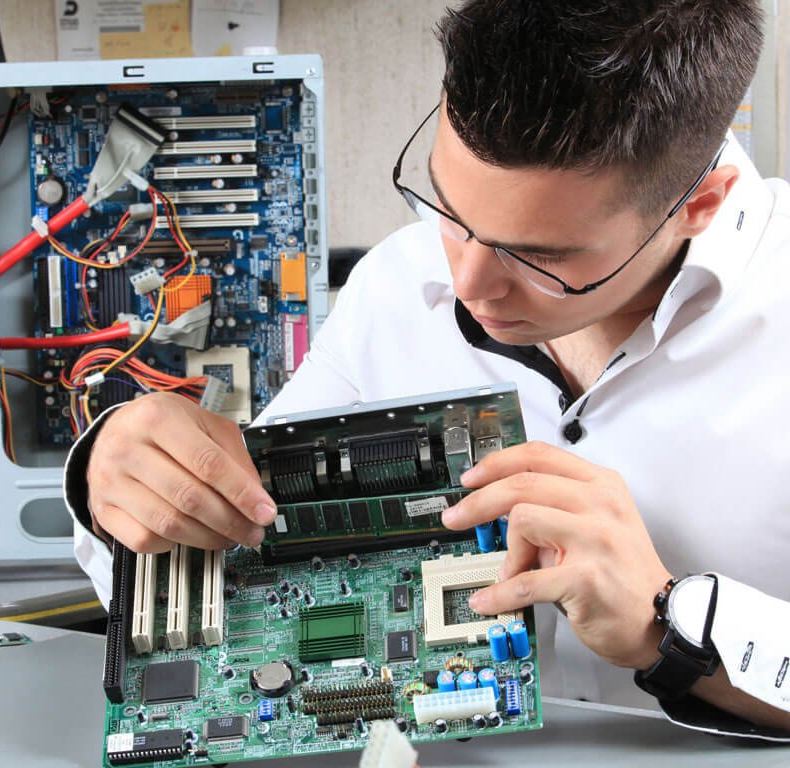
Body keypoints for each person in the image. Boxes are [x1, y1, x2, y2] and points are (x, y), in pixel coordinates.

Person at [64, 0, 790, 739]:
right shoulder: (395, 285)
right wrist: (118, 477)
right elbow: (233, 580)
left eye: (540, 257)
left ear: (700, 203)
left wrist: (671, 628)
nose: (467, 284)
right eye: (445, 205)